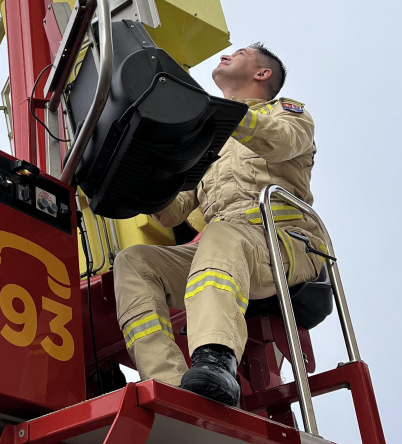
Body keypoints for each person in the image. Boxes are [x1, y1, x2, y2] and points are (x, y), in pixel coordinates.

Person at [112, 43, 327, 406]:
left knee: (220, 235)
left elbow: (285, 142)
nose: (227, 54)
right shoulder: (210, 143)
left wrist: (225, 118)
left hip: (284, 243)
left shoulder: (287, 112)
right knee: (134, 262)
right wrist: (144, 180)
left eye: (240, 52)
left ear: (262, 74)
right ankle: (167, 383)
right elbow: (177, 209)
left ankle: (216, 361)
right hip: (230, 245)